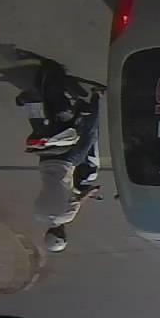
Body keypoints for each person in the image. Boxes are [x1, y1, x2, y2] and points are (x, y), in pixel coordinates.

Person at [34, 93, 101, 253]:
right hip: (44, 162)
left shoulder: (66, 217)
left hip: (66, 162)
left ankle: (95, 100)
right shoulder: (38, 214)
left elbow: (80, 199)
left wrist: (92, 191)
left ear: (61, 234)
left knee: (89, 137)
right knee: (51, 128)